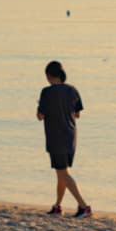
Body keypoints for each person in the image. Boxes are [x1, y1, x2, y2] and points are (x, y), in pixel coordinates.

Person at [37, 60, 91, 217]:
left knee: (63, 174)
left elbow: (41, 116)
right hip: (71, 137)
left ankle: (83, 206)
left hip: (55, 138)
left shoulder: (46, 92)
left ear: (48, 75)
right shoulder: (73, 90)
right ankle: (57, 206)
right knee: (62, 173)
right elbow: (78, 114)